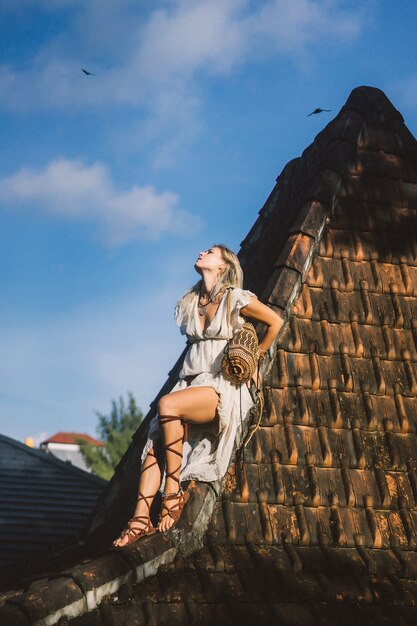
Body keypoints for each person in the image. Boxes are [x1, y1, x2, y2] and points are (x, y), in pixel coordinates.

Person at [113, 245, 283, 546]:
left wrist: (256, 355)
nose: (202, 252)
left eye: (211, 252)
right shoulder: (193, 301)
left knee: (166, 404)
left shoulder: (235, 297)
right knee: (155, 445)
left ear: (223, 265)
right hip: (190, 382)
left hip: (220, 386)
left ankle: (171, 492)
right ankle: (139, 520)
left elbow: (275, 323)